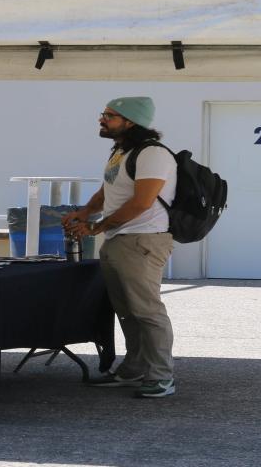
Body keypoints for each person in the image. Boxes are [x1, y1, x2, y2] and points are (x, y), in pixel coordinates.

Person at [62, 97, 178, 398]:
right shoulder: (122, 151)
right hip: (119, 239)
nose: (102, 120)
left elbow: (142, 202)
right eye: (104, 114)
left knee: (147, 310)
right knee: (127, 311)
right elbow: (108, 189)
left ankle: (162, 376)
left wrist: (97, 227)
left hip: (143, 240)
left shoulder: (152, 154)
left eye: (109, 116)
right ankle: (134, 369)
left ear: (131, 121)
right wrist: (85, 213)